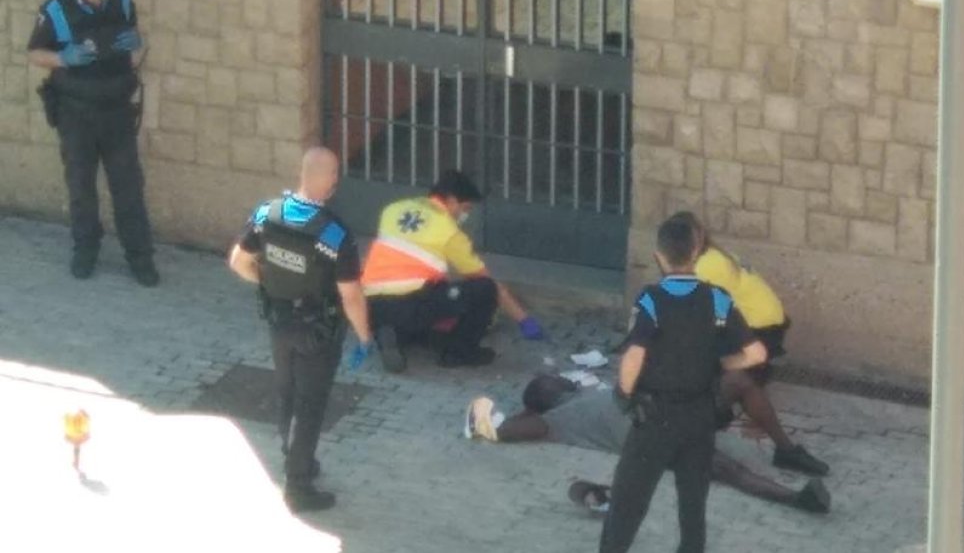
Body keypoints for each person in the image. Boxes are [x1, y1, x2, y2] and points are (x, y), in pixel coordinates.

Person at [598, 217, 767, 553]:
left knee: (628, 502)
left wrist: (623, 395)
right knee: (693, 506)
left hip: (655, 417)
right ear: (696, 252)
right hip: (700, 416)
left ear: (659, 255)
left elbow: (634, 354)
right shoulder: (718, 299)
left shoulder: (651, 299)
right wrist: (722, 363)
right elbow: (756, 352)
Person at [227, 147, 373, 513]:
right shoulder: (335, 235)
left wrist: (269, 282)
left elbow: (238, 262)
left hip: (279, 323)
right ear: (327, 179)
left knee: (288, 392)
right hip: (318, 331)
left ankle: (297, 457)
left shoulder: (267, 214)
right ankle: (298, 485)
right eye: (335, 175)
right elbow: (351, 295)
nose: (337, 182)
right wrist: (365, 335)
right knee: (310, 406)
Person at [464, 375, 831, 515]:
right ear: (547, 396)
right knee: (727, 470)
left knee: (738, 384)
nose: (562, 379)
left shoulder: (589, 391)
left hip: (671, 411)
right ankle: (796, 499)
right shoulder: (557, 419)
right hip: (656, 436)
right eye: (553, 381)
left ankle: (786, 449)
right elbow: (506, 431)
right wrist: (486, 418)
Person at [27, 0, 157, 285]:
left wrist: (135, 43)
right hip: (76, 112)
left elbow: (134, 44)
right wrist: (64, 58)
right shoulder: (57, 8)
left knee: (128, 186)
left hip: (116, 109)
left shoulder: (122, 0)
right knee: (81, 186)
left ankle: (140, 257)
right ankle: (85, 250)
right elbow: (36, 52)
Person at [668, 211, 828, 477]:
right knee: (737, 381)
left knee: (735, 379)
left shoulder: (705, 267)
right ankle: (776, 446)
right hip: (765, 325)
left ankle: (775, 444)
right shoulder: (713, 257)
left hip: (758, 328)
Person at [360, 170, 546, 370]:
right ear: (450, 200)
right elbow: (487, 283)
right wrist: (524, 320)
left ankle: (389, 331)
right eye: (465, 208)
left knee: (435, 286)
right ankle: (460, 353)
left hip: (370, 305)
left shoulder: (393, 209)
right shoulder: (448, 231)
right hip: (411, 305)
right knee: (484, 290)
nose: (464, 214)